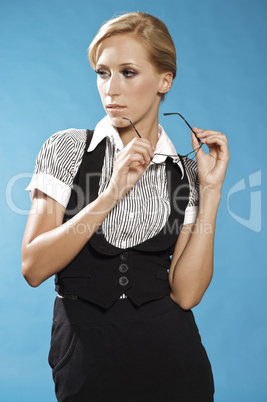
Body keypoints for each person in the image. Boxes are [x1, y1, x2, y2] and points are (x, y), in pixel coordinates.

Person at [21, 11, 230, 402]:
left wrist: (212, 190)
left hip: (173, 356)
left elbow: (186, 294)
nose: (110, 89)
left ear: (164, 80)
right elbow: (33, 268)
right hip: (84, 354)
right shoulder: (67, 149)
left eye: (128, 72)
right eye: (103, 73)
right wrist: (111, 193)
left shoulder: (186, 171)